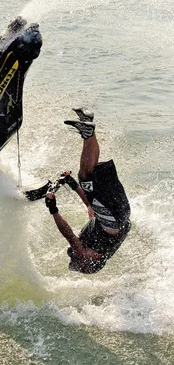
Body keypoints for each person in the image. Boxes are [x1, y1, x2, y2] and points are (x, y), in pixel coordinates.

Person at [45, 108, 131, 274]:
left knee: (91, 174)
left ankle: (88, 126)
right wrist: (53, 209)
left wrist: (73, 185)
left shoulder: (95, 238)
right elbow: (69, 236)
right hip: (113, 217)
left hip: (119, 213)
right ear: (88, 261)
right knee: (85, 176)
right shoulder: (90, 255)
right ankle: (88, 133)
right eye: (76, 259)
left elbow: (90, 207)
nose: (73, 255)